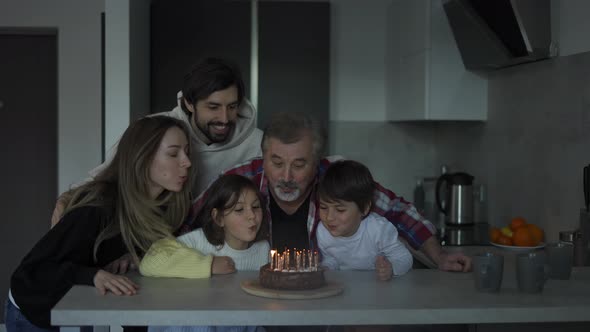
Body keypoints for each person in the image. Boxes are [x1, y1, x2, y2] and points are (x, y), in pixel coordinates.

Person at [5, 116, 235, 332]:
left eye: (186, 153)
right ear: (142, 157)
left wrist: (130, 254)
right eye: (173, 154)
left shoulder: (166, 205)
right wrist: (92, 276)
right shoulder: (98, 209)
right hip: (34, 313)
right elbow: (32, 272)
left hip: (81, 305)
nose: (186, 162)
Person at [184, 112, 472, 273]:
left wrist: (440, 257)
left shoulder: (335, 175)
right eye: (276, 162)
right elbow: (188, 221)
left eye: (299, 165)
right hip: (254, 301)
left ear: (317, 161)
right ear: (264, 156)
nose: (286, 177)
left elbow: (399, 211)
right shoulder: (240, 178)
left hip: (324, 303)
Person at [51, 57, 263, 228]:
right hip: (154, 241)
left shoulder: (258, 144)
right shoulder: (153, 129)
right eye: (213, 107)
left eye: (232, 107)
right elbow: (110, 174)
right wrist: (67, 198)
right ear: (189, 103)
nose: (225, 118)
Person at [141, 174, 269, 332]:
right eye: (239, 209)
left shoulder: (263, 250)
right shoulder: (200, 241)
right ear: (218, 218)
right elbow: (151, 260)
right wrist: (208, 264)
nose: (252, 216)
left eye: (256, 207)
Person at [316, 160, 413, 280]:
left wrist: (391, 268)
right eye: (324, 207)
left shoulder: (378, 229)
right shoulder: (323, 231)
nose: (329, 217)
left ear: (364, 208)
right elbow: (332, 259)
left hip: (379, 292)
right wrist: (327, 267)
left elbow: (404, 258)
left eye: (340, 210)